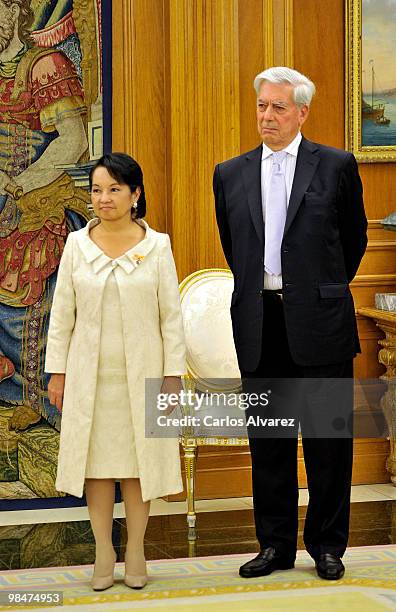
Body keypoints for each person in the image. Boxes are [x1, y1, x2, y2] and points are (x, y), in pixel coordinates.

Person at [213, 67, 367, 581]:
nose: (267, 116)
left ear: (302, 111)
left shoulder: (336, 166)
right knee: (270, 443)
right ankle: (274, 545)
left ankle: (328, 546)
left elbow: (353, 241)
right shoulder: (229, 173)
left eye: (278, 107)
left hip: (320, 322)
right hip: (260, 324)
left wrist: (316, 290)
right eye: (261, 105)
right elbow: (234, 247)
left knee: (327, 442)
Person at [45, 153, 186, 590]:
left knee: (139, 466)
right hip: (90, 375)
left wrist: (172, 374)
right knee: (98, 467)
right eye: (96, 190)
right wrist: (58, 372)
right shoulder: (76, 245)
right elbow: (62, 313)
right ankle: (103, 549)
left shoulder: (157, 246)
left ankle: (137, 548)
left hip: (145, 373)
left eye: (113, 189)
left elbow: (171, 317)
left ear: (135, 194)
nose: (103, 199)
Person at [0, 0, 90, 432]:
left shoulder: (44, 65)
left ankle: (38, 398)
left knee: (23, 303)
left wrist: (19, 183)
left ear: (18, 13)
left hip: (34, 198)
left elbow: (71, 140)